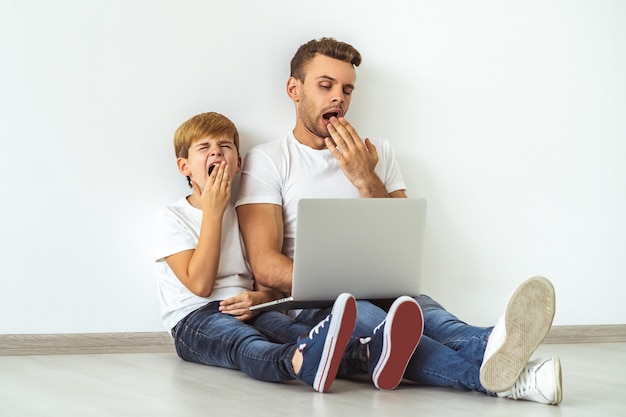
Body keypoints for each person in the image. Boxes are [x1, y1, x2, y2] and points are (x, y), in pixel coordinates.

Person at [235, 38, 562, 405]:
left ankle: (504, 354)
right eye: (325, 86)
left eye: (346, 89)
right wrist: (347, 282)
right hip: (317, 303)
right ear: (294, 90)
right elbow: (265, 266)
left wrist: (364, 177)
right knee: (390, 329)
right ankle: (509, 366)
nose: (338, 98)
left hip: (386, 286)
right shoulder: (268, 160)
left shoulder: (379, 153)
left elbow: (401, 238)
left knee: (433, 320)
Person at [152, 111, 361, 393]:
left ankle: (367, 355)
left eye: (224, 146)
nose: (216, 152)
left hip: (247, 307)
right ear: (184, 166)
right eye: (204, 148)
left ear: (237, 163)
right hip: (195, 318)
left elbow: (270, 287)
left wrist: (260, 298)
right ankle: (297, 362)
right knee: (244, 342)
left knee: (292, 331)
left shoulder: (245, 216)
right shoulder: (171, 218)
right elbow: (200, 285)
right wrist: (212, 213)